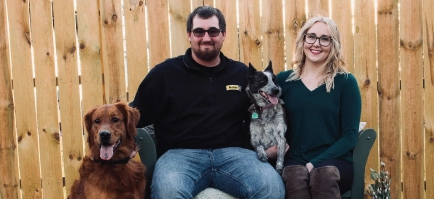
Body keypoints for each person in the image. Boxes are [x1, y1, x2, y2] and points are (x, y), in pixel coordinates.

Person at [131, 6, 285, 199]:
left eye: (213, 31)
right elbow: (134, 117)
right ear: (189, 34)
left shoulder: (241, 74)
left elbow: (254, 114)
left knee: (272, 188)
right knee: (168, 192)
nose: (206, 38)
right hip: (180, 156)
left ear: (223, 34)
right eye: (199, 31)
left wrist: (267, 141)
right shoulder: (164, 74)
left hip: (234, 155)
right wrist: (123, 144)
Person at [275, 16, 362, 199]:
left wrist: (315, 163)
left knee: (323, 175)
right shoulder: (284, 80)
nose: (316, 44)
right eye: (311, 36)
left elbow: (349, 136)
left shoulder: (345, 82)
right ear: (303, 39)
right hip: (294, 160)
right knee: (294, 176)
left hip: (335, 162)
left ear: (333, 44)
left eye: (324, 39)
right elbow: (261, 115)